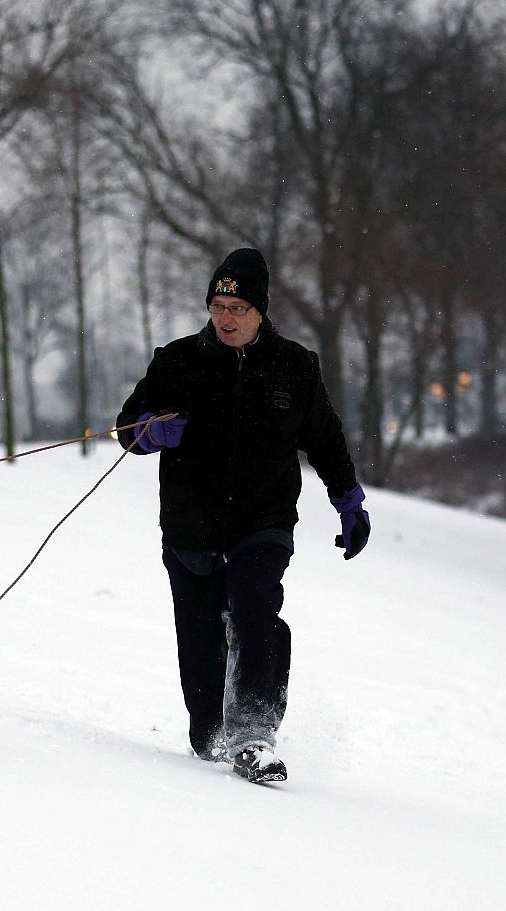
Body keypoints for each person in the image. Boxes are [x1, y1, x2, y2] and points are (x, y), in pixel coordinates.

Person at [117, 248, 370, 784]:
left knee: (255, 612)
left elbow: (324, 438)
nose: (226, 317)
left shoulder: (295, 367)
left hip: (262, 522)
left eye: (238, 307)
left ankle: (254, 734)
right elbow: (126, 428)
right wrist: (149, 431)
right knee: (201, 639)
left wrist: (348, 501)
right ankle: (211, 733)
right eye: (218, 305)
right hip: (191, 526)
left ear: (260, 312)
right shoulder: (177, 361)